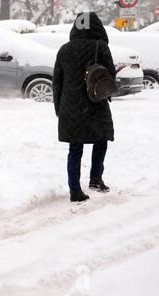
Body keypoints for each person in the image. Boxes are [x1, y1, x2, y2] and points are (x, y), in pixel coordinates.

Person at [53, 12, 116, 203]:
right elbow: (109, 75)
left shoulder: (64, 50)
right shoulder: (101, 47)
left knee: (75, 147)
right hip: (95, 103)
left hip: (70, 106)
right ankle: (96, 178)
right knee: (101, 139)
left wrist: (59, 108)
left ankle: (75, 190)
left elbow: (57, 82)